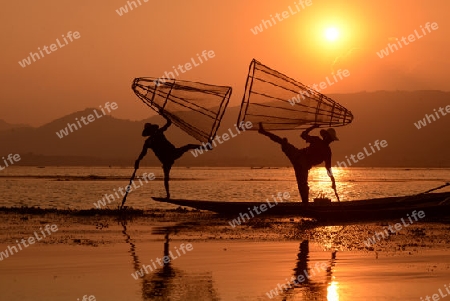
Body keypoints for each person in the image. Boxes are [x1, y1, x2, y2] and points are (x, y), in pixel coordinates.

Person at [258, 123, 338, 204]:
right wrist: (312, 127)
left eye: (331, 140)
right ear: (326, 137)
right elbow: (303, 135)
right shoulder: (318, 142)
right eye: (330, 139)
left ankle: (305, 206)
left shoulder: (326, 150)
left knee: (303, 186)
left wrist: (333, 181)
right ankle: (264, 132)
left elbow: (328, 168)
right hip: (300, 158)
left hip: (301, 162)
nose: (331, 141)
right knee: (283, 142)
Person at [135, 113, 199, 199]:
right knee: (166, 177)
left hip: (172, 154)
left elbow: (169, 123)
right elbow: (143, 153)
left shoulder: (157, 133)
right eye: (150, 130)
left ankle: (207, 147)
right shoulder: (149, 141)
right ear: (149, 132)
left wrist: (163, 114)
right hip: (167, 159)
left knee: (188, 146)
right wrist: (138, 160)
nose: (152, 131)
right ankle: (168, 195)